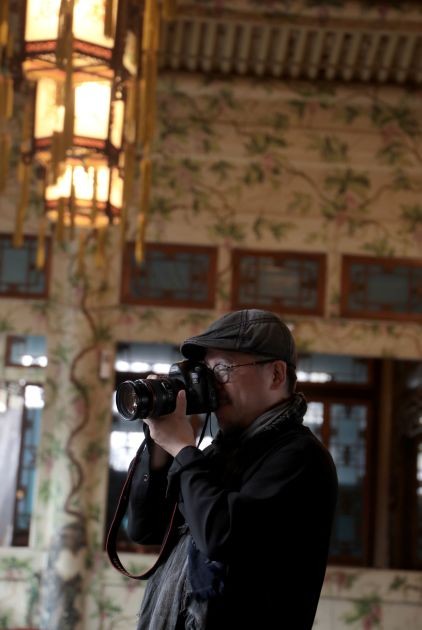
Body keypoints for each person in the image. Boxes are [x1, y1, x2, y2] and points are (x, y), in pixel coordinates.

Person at [127, 309, 338, 630]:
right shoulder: (218, 453)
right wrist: (161, 448)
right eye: (206, 372)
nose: (212, 386)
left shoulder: (301, 457)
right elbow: (146, 529)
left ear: (276, 374)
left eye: (223, 369)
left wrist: (183, 450)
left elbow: (221, 537)